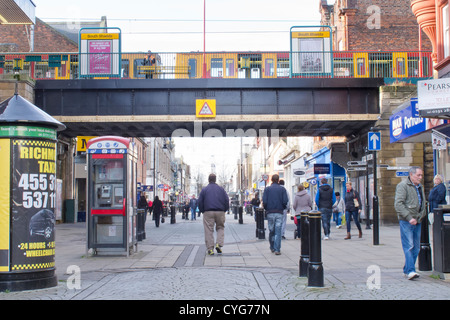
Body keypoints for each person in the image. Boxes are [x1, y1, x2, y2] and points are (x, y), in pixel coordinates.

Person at [394, 166, 427, 280]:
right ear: (411, 175)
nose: (420, 177)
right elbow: (398, 204)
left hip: (418, 220)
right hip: (407, 221)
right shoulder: (403, 186)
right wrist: (409, 217)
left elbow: (422, 201)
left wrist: (422, 214)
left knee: (416, 247)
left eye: (421, 175)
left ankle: (407, 269)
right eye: (418, 175)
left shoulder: (420, 187)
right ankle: (411, 271)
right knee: (409, 246)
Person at [198, 174, 230, 256]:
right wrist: (225, 210)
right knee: (220, 228)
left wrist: (202, 211)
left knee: (209, 230)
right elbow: (227, 200)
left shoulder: (204, 190)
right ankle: (218, 244)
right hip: (220, 211)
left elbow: (200, 201)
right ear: (215, 180)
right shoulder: (221, 189)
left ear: (208, 180)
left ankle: (210, 249)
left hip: (208, 211)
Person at [262, 174, 288, 255]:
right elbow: (285, 201)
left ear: (272, 180)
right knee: (278, 231)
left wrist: (267, 209)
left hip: (270, 212)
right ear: (278, 180)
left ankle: (272, 247)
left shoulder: (267, 189)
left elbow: (264, 201)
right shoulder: (282, 189)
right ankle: (277, 249)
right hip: (279, 212)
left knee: (271, 230)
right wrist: (282, 208)